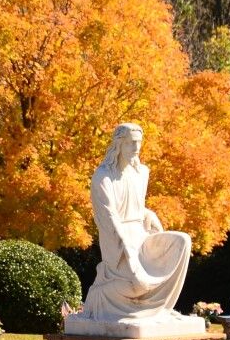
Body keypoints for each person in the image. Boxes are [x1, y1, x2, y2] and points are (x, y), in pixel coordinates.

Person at [81, 123, 191, 321]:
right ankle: (99, 294)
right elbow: (109, 217)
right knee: (138, 283)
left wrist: (149, 215)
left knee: (183, 241)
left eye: (139, 142)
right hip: (117, 238)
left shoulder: (142, 173)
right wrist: (127, 251)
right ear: (119, 144)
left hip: (141, 234)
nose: (136, 147)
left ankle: (161, 308)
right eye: (131, 143)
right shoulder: (103, 177)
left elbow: (138, 207)